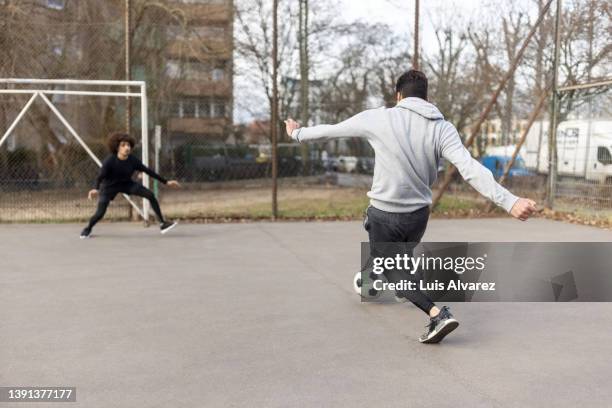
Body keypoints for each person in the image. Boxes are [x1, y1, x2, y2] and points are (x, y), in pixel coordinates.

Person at [285, 70, 537, 344]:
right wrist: (510, 201)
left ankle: (437, 314)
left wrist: (297, 132)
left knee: (394, 267)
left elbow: (330, 131)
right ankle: (372, 281)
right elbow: (470, 168)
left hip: (383, 213)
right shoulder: (442, 127)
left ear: (398, 95)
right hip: (417, 217)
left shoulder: (379, 117)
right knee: (392, 257)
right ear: (426, 97)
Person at [80, 132, 180, 238]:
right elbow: (100, 177)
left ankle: (162, 224)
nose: (126, 147)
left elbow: (148, 171)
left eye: (128, 145)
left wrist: (166, 182)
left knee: (150, 195)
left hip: (127, 184)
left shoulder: (133, 160)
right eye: (123, 145)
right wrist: (95, 189)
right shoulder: (110, 161)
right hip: (109, 187)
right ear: (117, 147)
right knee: (100, 213)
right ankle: (87, 229)